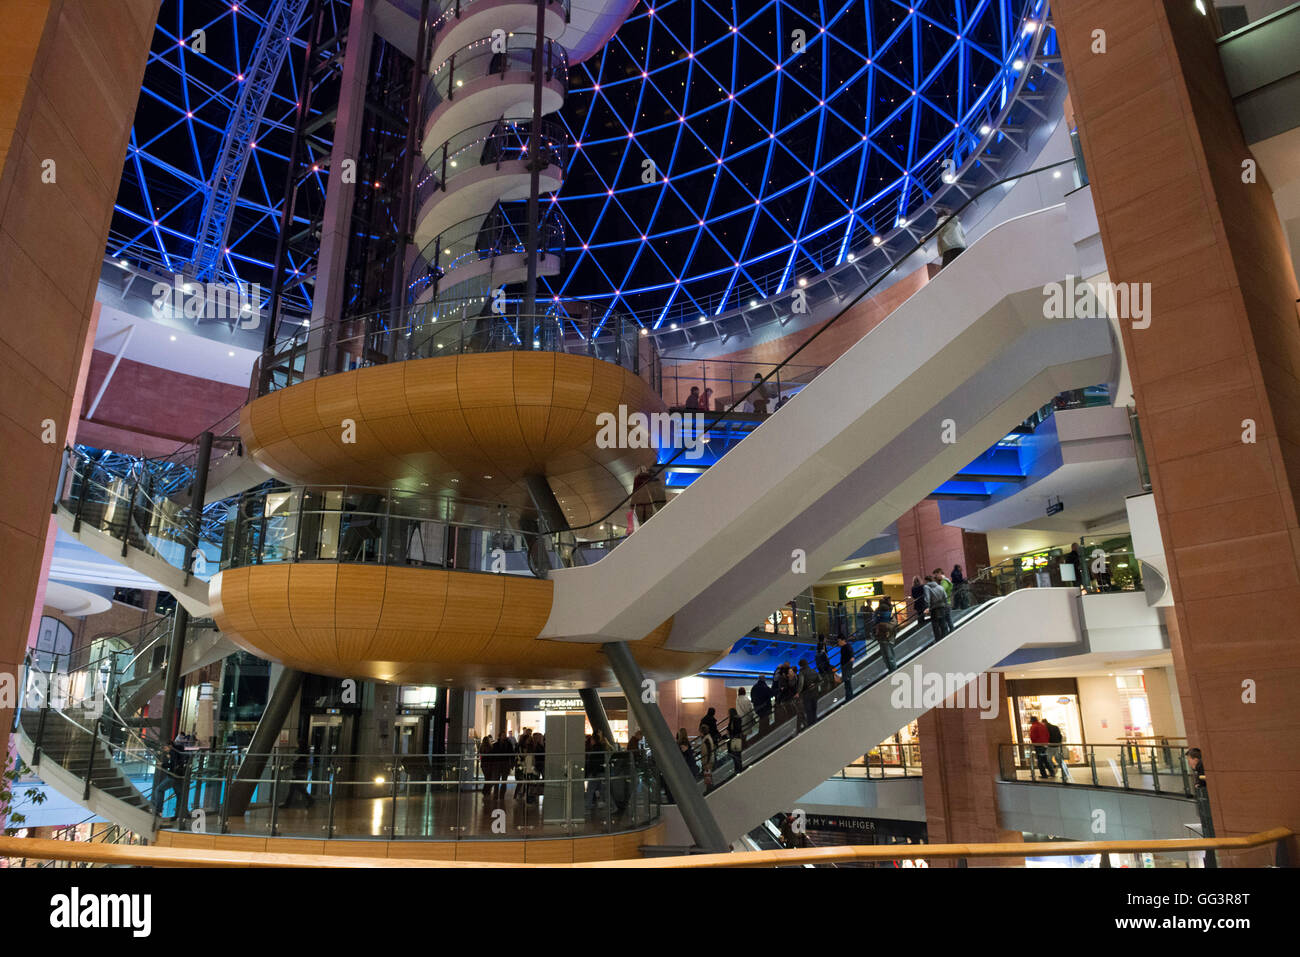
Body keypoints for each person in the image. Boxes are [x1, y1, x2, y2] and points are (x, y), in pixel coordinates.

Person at [873, 597, 898, 670]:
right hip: (888, 636)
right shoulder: (890, 615)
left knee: (886, 655)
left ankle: (892, 669)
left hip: (883, 637)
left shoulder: (879, 613)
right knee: (888, 654)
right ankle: (892, 669)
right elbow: (892, 625)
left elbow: (875, 621)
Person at [797, 659, 820, 730]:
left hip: (806, 694)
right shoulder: (813, 670)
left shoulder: (802, 672)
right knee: (814, 709)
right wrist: (814, 685)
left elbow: (801, 683)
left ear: (801, 665)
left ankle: (810, 726)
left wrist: (798, 692)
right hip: (815, 692)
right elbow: (820, 680)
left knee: (808, 710)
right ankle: (815, 723)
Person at [698, 724, 716, 791]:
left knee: (708, 777)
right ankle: (709, 789)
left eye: (700, 732)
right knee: (708, 777)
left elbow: (709, 752)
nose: (699, 734)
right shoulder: (707, 739)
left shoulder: (706, 740)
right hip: (708, 761)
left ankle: (709, 790)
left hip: (707, 762)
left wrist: (706, 763)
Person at [727, 707, 744, 775]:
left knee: (735, 754)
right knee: (737, 754)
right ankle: (738, 768)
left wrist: (730, 732)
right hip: (737, 738)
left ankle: (738, 768)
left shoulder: (734, 719)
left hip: (734, 738)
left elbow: (732, 729)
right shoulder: (737, 719)